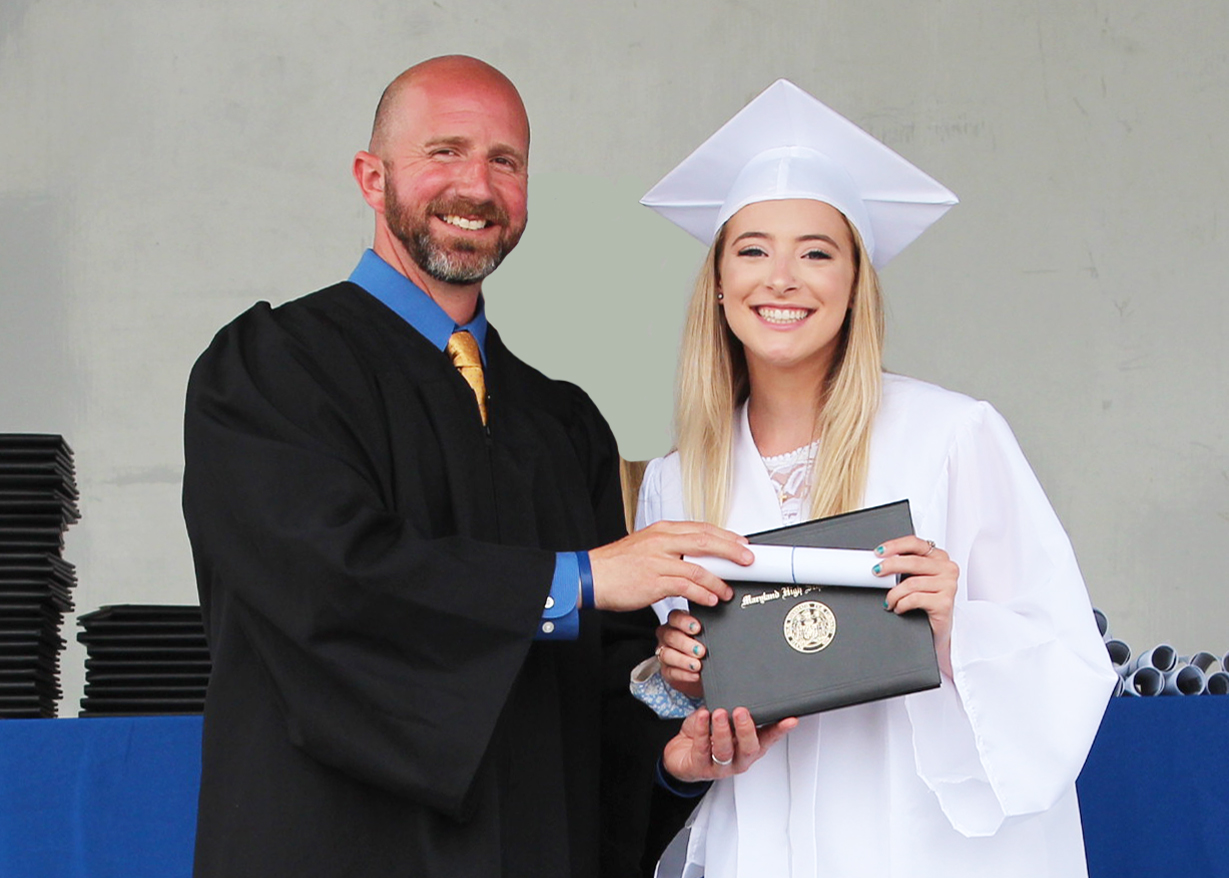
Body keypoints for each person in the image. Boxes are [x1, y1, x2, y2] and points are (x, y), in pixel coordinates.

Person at [181, 55, 757, 878]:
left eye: (505, 161)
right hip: (331, 848)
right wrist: (575, 580)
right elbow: (327, 580)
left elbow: (607, 690)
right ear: (370, 177)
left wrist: (672, 759)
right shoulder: (273, 369)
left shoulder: (562, 423)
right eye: (443, 152)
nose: (476, 187)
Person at [636, 80, 1118, 877]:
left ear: (855, 282)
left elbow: (1065, 658)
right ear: (717, 281)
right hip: (758, 838)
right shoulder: (678, 481)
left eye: (816, 252)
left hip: (915, 837)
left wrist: (954, 621)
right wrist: (682, 671)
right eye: (752, 248)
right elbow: (699, 700)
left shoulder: (951, 437)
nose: (781, 278)